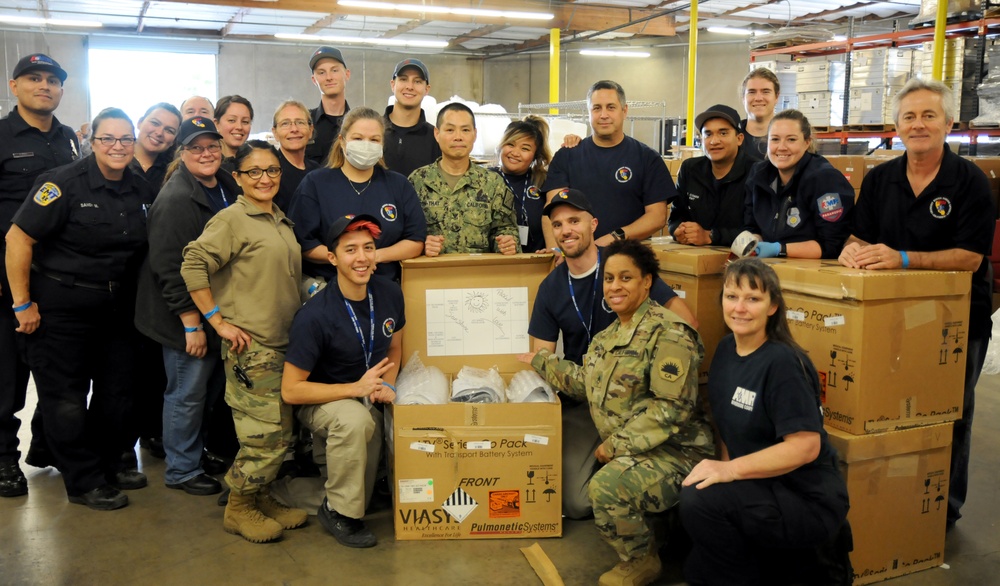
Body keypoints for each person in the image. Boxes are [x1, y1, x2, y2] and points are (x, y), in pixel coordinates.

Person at [838, 78, 995, 529]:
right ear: (896, 126)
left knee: (949, 413)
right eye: (909, 116)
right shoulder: (881, 178)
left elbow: (970, 257)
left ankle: (942, 509)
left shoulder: (969, 183)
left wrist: (904, 259)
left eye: (929, 115)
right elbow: (859, 234)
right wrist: (851, 248)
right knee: (890, 407)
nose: (919, 124)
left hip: (955, 322)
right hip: (889, 318)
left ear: (949, 123)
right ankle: (891, 493)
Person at [520, 239, 713, 586]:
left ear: (646, 282)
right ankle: (658, 530)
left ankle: (641, 561)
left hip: (677, 451)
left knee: (606, 487)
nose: (615, 287)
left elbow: (671, 409)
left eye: (626, 278)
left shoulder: (669, 333)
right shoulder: (609, 337)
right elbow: (584, 383)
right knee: (590, 489)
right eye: (609, 279)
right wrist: (541, 362)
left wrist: (615, 446)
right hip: (639, 448)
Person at [5, 107, 153, 510]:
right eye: (108, 138)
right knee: (66, 398)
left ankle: (107, 463)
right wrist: (22, 304)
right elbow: (19, 239)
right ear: (93, 141)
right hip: (63, 308)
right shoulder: (61, 183)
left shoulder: (138, 185)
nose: (118, 146)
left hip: (118, 308)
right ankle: (83, 480)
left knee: (117, 393)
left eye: (126, 139)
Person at [528, 189, 698, 521]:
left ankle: (643, 488)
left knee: (630, 474)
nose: (566, 231)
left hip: (644, 398)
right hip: (588, 396)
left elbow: (686, 320)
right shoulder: (551, 286)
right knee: (576, 503)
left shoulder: (622, 265)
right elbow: (542, 357)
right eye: (558, 224)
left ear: (593, 224)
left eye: (574, 221)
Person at [680, 258, 850, 585]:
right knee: (696, 565)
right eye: (732, 296)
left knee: (698, 502)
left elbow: (805, 447)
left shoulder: (783, 363)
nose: (740, 308)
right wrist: (724, 474)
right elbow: (729, 429)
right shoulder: (727, 350)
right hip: (762, 485)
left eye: (753, 299)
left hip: (805, 496)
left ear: (772, 306)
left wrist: (727, 472)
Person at [181, 140, 308, 544]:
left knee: (280, 435)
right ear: (237, 177)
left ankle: (262, 497)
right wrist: (216, 321)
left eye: (272, 170)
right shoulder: (232, 220)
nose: (265, 178)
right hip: (252, 349)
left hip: (283, 344)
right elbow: (193, 262)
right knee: (263, 436)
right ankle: (238, 506)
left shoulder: (278, 219)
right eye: (254, 171)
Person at [282, 215, 402, 549]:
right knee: (355, 421)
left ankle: (338, 496)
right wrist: (356, 389)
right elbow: (291, 390)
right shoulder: (316, 315)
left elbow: (395, 344)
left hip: (365, 395)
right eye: (350, 250)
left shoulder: (389, 293)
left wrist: (388, 384)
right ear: (332, 258)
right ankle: (339, 512)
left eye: (369, 248)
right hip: (320, 400)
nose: (362, 258)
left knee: (363, 488)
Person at [135, 116, 239, 499]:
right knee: (187, 392)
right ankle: (181, 468)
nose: (206, 153)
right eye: (196, 147)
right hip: (181, 315)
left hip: (212, 307)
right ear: (182, 152)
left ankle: (194, 454)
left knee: (208, 391)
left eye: (212, 146)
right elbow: (168, 267)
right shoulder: (176, 198)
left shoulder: (224, 183)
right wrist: (191, 325)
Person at [0, 53, 79, 498]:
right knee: (8, 378)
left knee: (59, 372)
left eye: (52, 80)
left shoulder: (68, 140)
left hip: (57, 277)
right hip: (9, 275)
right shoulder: (2, 136)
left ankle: (47, 448)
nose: (44, 86)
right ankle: (3, 460)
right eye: (33, 78)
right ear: (15, 87)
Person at [289, 107, 425, 283]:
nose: (366, 144)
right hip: (330, 287)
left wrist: (374, 256)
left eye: (374, 139)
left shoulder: (399, 185)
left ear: (382, 144)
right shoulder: (315, 183)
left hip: (385, 287)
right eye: (358, 138)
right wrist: (346, 260)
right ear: (342, 141)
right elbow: (303, 243)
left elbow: (415, 240)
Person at [543, 80, 675, 248]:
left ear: (624, 110)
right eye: (597, 108)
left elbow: (657, 217)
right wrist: (556, 251)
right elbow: (552, 208)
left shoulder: (647, 158)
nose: (603, 115)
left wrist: (615, 237)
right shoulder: (566, 156)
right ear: (589, 112)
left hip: (628, 259)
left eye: (611, 107)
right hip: (575, 259)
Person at [409, 102, 520, 256]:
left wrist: (507, 243)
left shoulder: (493, 183)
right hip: (431, 273)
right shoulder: (417, 181)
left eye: (465, 130)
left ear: (474, 134)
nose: (458, 137)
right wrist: (422, 245)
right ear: (436, 134)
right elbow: (405, 234)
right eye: (450, 130)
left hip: (478, 274)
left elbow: (505, 229)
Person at [743, 109, 854, 259]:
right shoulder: (758, 175)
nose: (782, 147)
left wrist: (779, 249)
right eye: (775, 139)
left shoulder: (825, 179)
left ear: (807, 142)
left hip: (814, 271)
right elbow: (752, 226)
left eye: (791, 140)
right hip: (768, 269)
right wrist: (754, 243)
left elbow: (832, 245)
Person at [669, 104, 751, 248]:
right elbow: (676, 216)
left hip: (742, 260)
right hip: (696, 256)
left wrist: (710, 236)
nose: (714, 141)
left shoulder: (756, 172)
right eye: (708, 134)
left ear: (739, 138)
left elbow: (758, 229)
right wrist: (678, 230)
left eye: (723, 133)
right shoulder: (690, 169)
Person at [490, 116, 551, 253]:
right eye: (510, 144)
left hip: (537, 262)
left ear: (535, 155)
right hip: (495, 264)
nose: (515, 153)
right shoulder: (486, 179)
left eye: (525, 148)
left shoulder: (543, 181)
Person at [383, 58, 440, 177]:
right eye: (403, 79)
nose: (409, 86)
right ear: (393, 85)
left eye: (417, 81)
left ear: (427, 89)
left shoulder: (436, 138)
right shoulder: (373, 132)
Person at [271, 99, 320, 212]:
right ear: (275, 133)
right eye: (285, 123)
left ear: (311, 130)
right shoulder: (270, 173)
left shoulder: (317, 171)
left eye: (300, 122)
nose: (294, 129)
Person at [306, 46, 351, 166]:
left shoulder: (359, 123)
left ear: (347, 74)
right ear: (314, 80)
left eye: (334, 70)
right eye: (321, 72)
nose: (329, 77)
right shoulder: (304, 123)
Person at [130, 102, 182, 194]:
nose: (159, 133)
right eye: (155, 123)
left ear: (173, 140)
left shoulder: (174, 172)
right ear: (139, 123)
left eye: (169, 130)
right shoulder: (117, 158)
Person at [740, 68, 780, 163]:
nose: (758, 98)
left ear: (776, 97)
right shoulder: (731, 139)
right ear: (743, 98)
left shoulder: (791, 139)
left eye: (766, 91)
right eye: (752, 92)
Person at [214, 95, 254, 171]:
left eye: (245, 122)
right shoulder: (209, 162)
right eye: (232, 120)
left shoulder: (255, 159)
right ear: (216, 124)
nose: (239, 127)